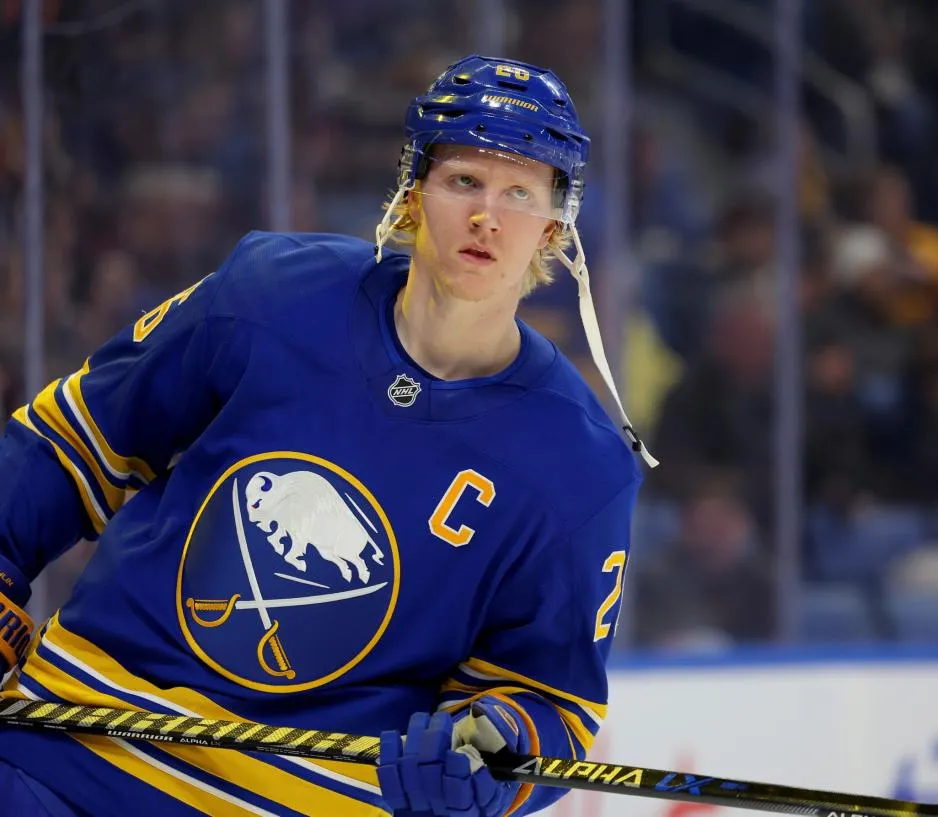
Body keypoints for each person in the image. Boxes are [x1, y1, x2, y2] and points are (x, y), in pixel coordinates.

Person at [0, 54, 655, 817]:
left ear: (554, 224)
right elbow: (73, 441)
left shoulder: (581, 467)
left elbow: (549, 699)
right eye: (464, 182)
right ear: (414, 191)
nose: (488, 216)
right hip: (67, 747)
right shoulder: (269, 293)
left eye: (519, 192)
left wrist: (483, 752)